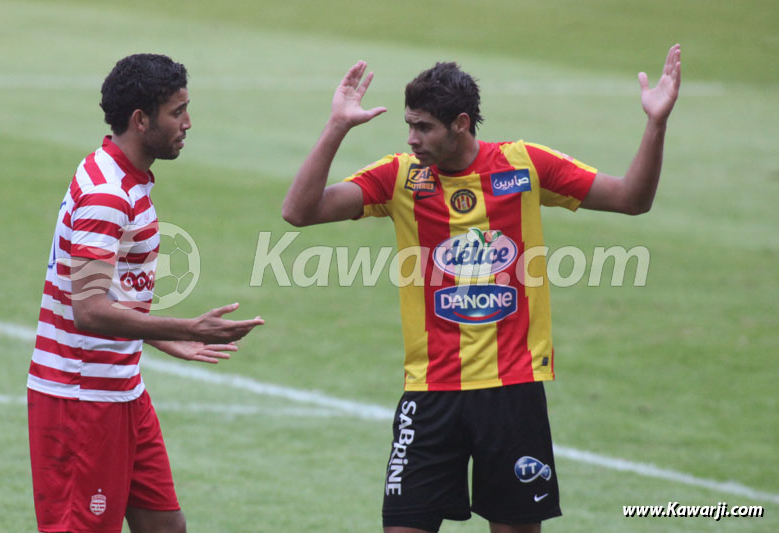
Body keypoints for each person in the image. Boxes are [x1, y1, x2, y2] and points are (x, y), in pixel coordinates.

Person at [283, 45, 681, 532]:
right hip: (429, 393)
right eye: (409, 125)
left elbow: (632, 199)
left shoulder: (525, 165)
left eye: (423, 127)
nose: (412, 138)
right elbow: (299, 212)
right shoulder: (400, 178)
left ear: (462, 123)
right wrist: (336, 128)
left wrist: (656, 123)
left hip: (511, 393)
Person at [27, 53, 264, 533]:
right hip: (81, 401)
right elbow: (89, 310)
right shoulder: (107, 196)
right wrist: (186, 326)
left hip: (122, 392)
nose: (188, 123)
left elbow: (103, 292)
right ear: (141, 120)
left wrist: (156, 339)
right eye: (177, 112)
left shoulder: (119, 177)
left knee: (165, 526)